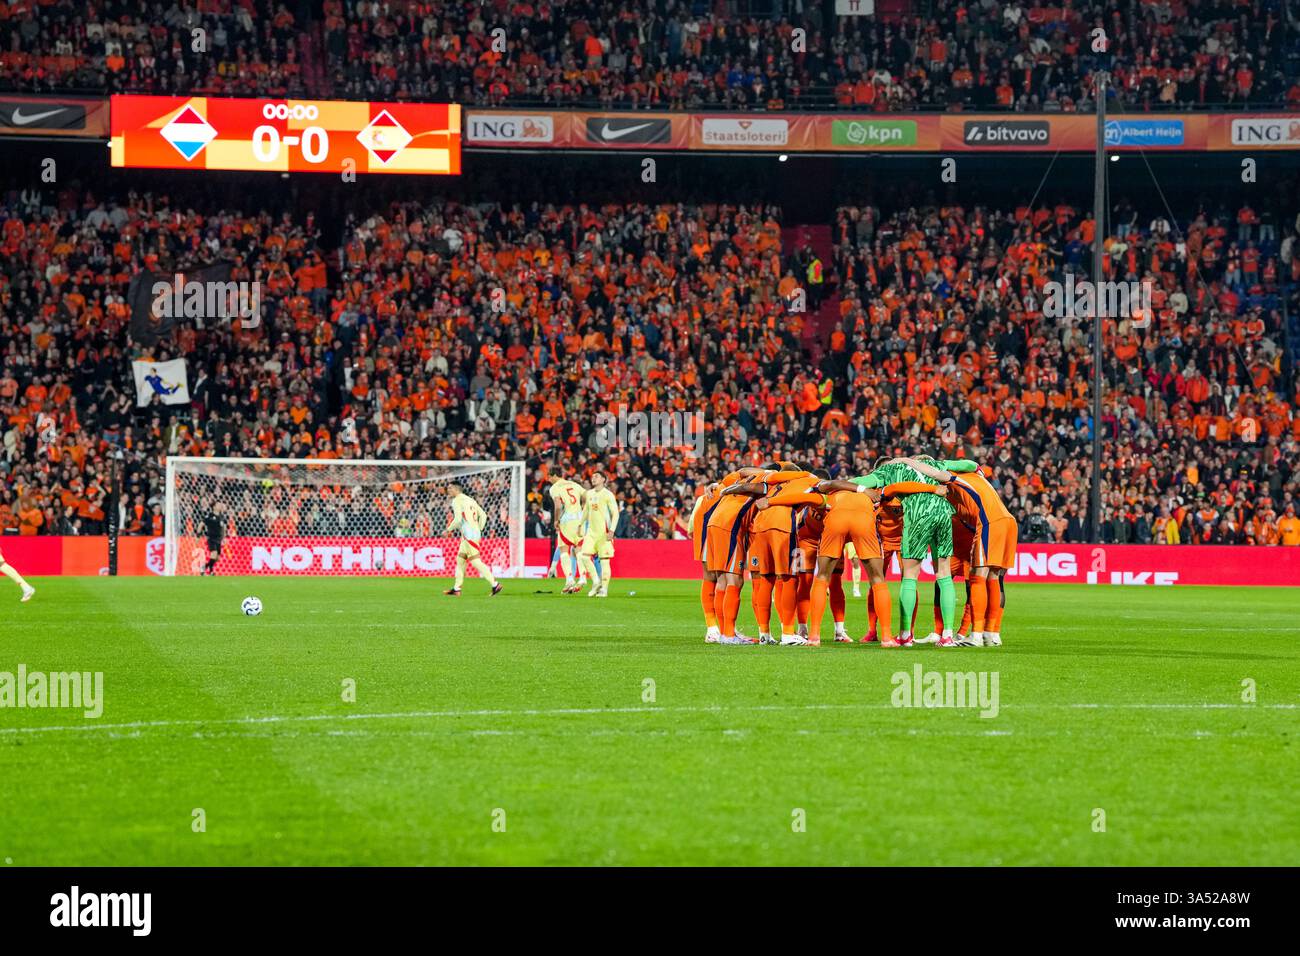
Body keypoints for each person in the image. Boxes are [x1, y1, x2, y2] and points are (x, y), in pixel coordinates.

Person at [443, 482, 502, 596]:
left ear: (456, 489)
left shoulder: (457, 500)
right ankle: (457, 588)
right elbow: (483, 515)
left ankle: (495, 584)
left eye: (450, 488)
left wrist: (448, 530)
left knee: (475, 562)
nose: (448, 490)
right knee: (460, 561)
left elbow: (458, 519)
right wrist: (478, 529)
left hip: (469, 535)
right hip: (471, 535)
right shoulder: (471, 500)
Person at [579, 472, 619, 598]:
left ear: (603, 479)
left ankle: (604, 590)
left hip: (604, 533)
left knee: (604, 562)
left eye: (596, 476)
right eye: (592, 477)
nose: (593, 478)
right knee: (584, 556)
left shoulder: (608, 494)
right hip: (591, 532)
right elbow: (586, 510)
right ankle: (596, 581)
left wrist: (612, 530)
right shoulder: (589, 493)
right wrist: (580, 524)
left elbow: (615, 513)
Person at [547, 473, 588, 593]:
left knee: (564, 549)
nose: (549, 480)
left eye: (549, 477)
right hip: (580, 519)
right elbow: (586, 495)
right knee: (579, 549)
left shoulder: (555, 488)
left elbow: (558, 505)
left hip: (567, 520)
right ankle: (583, 577)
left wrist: (556, 520)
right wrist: (583, 506)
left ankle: (569, 579)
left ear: (554, 476)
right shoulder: (574, 484)